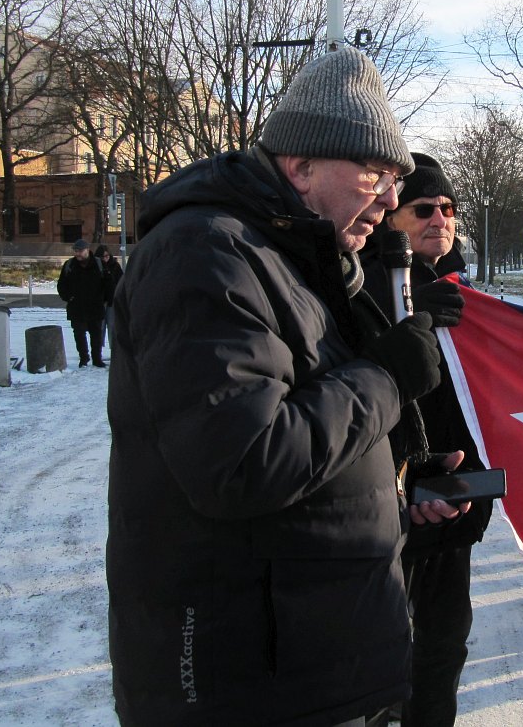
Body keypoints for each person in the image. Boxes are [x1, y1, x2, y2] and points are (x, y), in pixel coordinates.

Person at [105, 48, 464, 727]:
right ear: (299, 163)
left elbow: (314, 434)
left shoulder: (307, 262)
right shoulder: (205, 253)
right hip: (247, 684)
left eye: (396, 179)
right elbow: (243, 463)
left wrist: (396, 485)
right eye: (375, 173)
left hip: (320, 665)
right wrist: (387, 374)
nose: (391, 199)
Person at [359, 152, 489, 727]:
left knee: (442, 652)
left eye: (448, 208)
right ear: (390, 217)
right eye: (423, 208)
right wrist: (411, 322)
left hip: (451, 506)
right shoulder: (357, 288)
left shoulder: (466, 291)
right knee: (378, 669)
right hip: (382, 518)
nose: (440, 217)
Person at [57, 238, 109, 368]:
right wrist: (69, 297)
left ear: (87, 250)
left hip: (95, 306)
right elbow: (61, 285)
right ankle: (84, 358)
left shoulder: (98, 264)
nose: (78, 253)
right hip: (77, 307)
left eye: (80, 250)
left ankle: (97, 359)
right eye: (76, 251)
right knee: (79, 333)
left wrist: (105, 299)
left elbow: (108, 283)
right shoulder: (70, 265)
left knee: (96, 334)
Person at [94, 244, 124, 348]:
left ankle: (113, 349)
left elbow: (121, 281)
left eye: (107, 256)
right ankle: (98, 350)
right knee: (100, 327)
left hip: (112, 300)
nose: (105, 258)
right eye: (103, 256)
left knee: (112, 326)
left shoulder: (115, 266)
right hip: (100, 301)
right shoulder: (95, 266)